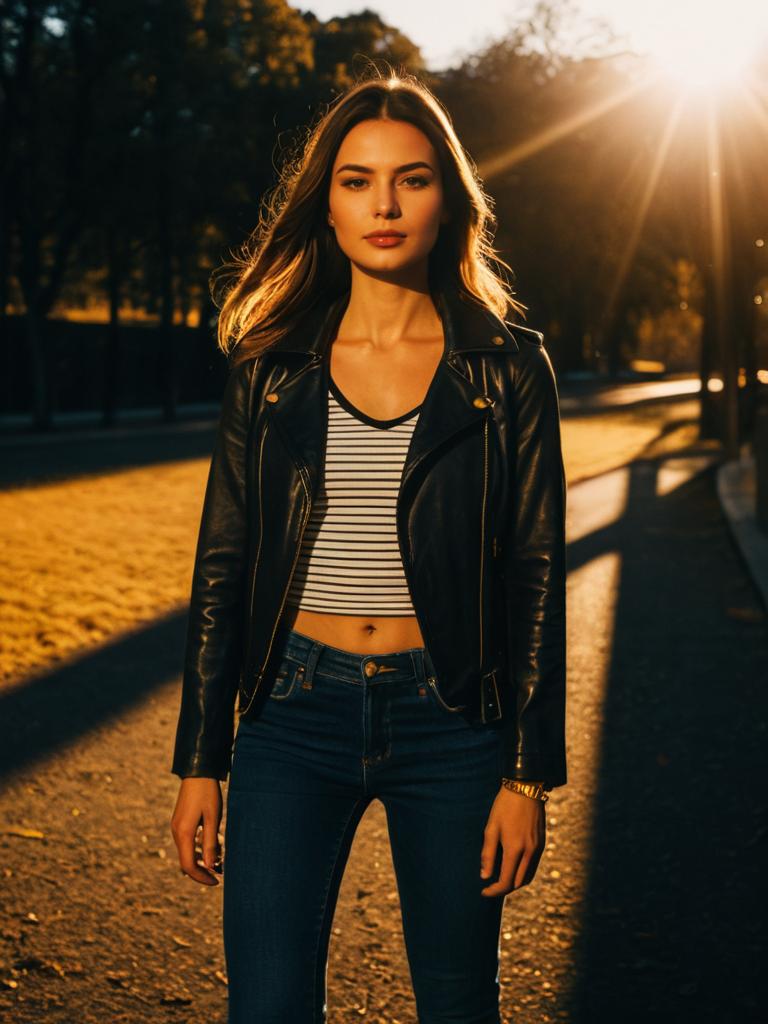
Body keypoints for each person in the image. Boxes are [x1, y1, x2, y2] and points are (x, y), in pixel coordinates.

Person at [170, 66, 567, 1024]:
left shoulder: (508, 367)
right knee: (266, 1004)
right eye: (357, 180)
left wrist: (527, 773)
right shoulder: (270, 366)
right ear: (328, 204)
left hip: (453, 719)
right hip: (291, 716)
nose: (384, 203)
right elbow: (222, 564)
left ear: (448, 198)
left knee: (459, 1003)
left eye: (412, 178)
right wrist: (200, 759)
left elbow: (537, 573)